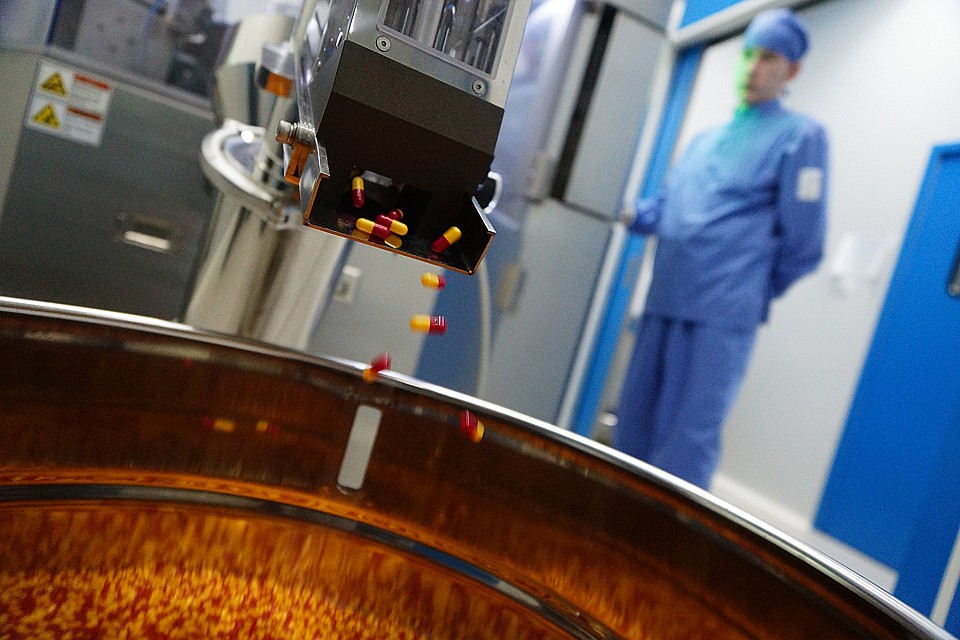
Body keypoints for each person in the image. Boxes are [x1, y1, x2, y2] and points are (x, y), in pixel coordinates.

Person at [613, 8, 829, 489]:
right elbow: (666, 209)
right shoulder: (704, 142)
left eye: (768, 58)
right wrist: (620, 208)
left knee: (685, 443)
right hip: (665, 300)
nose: (753, 68)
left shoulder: (801, 138)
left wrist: (747, 290)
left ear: (792, 70)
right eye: (749, 55)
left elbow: (805, 243)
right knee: (633, 429)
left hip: (722, 315)